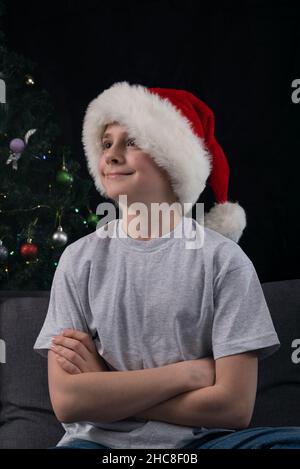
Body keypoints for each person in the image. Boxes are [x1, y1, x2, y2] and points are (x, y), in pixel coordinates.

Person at [34, 81, 300, 449]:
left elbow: (235, 408)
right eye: (106, 142)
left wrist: (108, 387)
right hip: (99, 444)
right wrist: (189, 373)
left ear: (172, 157)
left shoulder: (223, 260)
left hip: (204, 443)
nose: (111, 154)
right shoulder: (79, 260)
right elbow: (69, 402)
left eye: (132, 141)